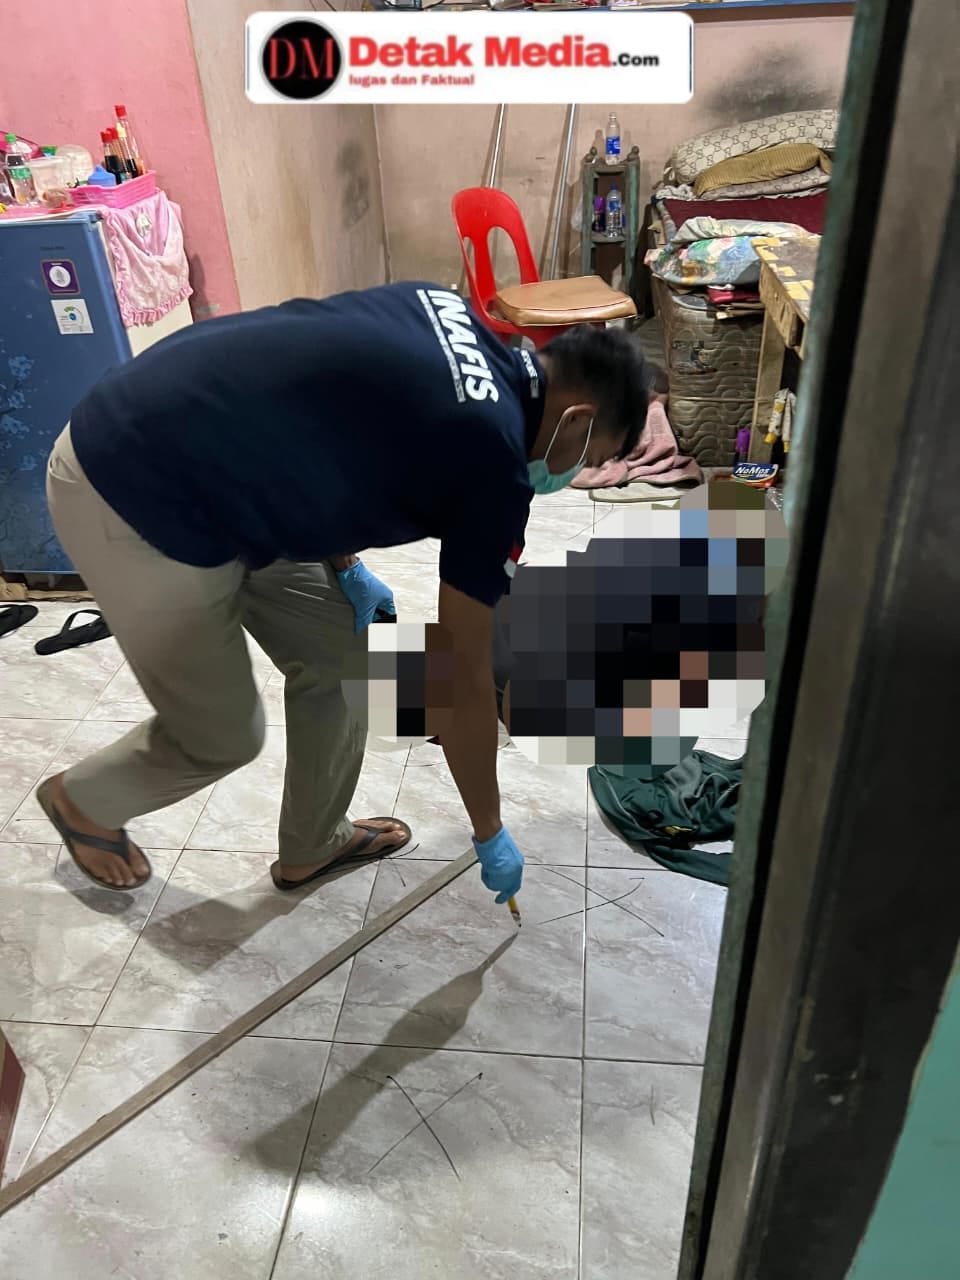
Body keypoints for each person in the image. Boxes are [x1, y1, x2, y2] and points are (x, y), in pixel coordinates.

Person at [39, 281, 652, 904]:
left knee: (348, 655)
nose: (574, 472)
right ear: (577, 419)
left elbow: (329, 418)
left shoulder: (448, 310)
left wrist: (345, 565)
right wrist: (489, 830)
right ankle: (83, 801)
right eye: (589, 458)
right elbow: (464, 674)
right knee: (223, 736)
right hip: (130, 488)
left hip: (204, 456)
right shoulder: (492, 461)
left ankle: (314, 843)